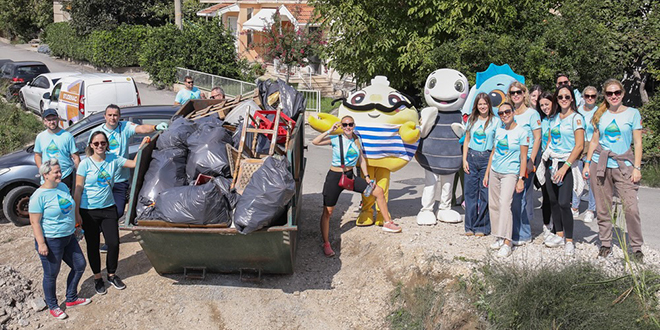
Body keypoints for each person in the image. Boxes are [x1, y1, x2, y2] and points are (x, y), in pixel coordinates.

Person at [312, 115, 402, 257]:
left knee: (378, 191)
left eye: (350, 124)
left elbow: (362, 159)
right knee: (328, 212)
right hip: (335, 177)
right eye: (345, 124)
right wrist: (330, 130)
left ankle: (387, 222)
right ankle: (326, 243)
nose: (348, 127)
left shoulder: (356, 139)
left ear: (354, 125)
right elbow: (315, 142)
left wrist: (367, 177)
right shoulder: (336, 139)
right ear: (341, 126)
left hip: (349, 177)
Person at [74, 131, 149, 294]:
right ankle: (97, 278)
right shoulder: (85, 164)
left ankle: (112, 274)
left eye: (102, 143)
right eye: (96, 144)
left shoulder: (113, 159)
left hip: (108, 208)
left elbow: (134, 164)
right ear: (91, 146)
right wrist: (76, 213)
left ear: (107, 144)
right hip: (88, 210)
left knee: (114, 242)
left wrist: (143, 144)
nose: (100, 146)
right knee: (92, 245)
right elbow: (78, 189)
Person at [583, 79, 645, 262]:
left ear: (623, 93)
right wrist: (587, 163)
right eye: (609, 94)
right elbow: (594, 140)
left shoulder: (633, 114)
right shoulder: (599, 114)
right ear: (605, 96)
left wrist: (637, 167)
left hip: (624, 165)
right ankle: (605, 244)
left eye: (617, 92)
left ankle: (636, 246)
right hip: (600, 164)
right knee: (603, 208)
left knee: (631, 208)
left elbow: (638, 142)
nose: (614, 96)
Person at [29, 158, 90, 320]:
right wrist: (41, 243)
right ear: (45, 175)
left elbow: (68, 209)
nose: (59, 174)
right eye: (55, 172)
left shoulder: (62, 187)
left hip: (68, 237)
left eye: (60, 171)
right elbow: (34, 222)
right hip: (51, 240)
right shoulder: (38, 196)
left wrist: (76, 226)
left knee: (79, 265)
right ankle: (53, 305)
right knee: (51, 274)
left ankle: (71, 298)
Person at [89, 104, 168, 220]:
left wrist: (155, 127)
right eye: (109, 115)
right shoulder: (97, 132)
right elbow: (90, 153)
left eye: (115, 115)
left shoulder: (124, 127)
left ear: (119, 116)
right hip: (103, 179)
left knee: (119, 211)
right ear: (104, 116)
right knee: (101, 210)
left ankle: (108, 227)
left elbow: (141, 129)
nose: (112, 118)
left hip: (120, 179)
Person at [539, 86, 584, 256]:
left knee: (565, 203)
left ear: (572, 98)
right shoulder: (554, 118)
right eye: (560, 96)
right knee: (553, 200)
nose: (563, 99)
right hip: (553, 161)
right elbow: (550, 139)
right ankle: (559, 234)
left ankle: (570, 240)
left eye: (567, 96)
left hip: (567, 164)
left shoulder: (576, 119)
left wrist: (565, 167)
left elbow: (579, 145)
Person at [484, 101, 528, 258]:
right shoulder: (499, 130)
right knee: (494, 205)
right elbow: (494, 152)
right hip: (495, 170)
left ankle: (507, 241)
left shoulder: (522, 132)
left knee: (505, 204)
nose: (504, 115)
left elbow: (524, 158)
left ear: (513, 112)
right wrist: (487, 172)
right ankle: (498, 235)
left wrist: (521, 178)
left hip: (510, 173)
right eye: (501, 113)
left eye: (507, 111)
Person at [462, 93, 501, 236]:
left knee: (485, 193)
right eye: (480, 104)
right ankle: (469, 226)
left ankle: (482, 227)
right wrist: (464, 159)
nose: (483, 106)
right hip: (471, 158)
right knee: (470, 193)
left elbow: (496, 144)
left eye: (485, 104)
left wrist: (490, 166)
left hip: (486, 158)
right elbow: (467, 139)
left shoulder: (496, 121)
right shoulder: (472, 119)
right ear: (476, 106)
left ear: (489, 105)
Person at [509, 82, 541, 246]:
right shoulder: (510, 113)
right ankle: (514, 231)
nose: (516, 95)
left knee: (522, 198)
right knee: (513, 198)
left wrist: (531, 160)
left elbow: (537, 138)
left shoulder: (532, 114)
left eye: (519, 92)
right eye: (513, 92)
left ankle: (524, 234)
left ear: (524, 93)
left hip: (526, 160)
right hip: (510, 161)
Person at [34, 109, 80, 193]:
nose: (52, 122)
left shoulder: (67, 136)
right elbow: (37, 155)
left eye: (54, 119)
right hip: (47, 177)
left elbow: (76, 157)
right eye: (49, 120)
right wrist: (42, 170)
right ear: (44, 121)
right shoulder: (40, 137)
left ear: (58, 119)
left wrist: (79, 175)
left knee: (64, 203)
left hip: (65, 176)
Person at [571, 86, 599, 223]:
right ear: (583, 97)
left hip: (593, 147)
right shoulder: (577, 111)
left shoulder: (599, 112)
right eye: (587, 96)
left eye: (592, 96)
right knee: (577, 178)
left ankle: (590, 209)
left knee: (591, 180)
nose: (590, 98)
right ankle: (575, 207)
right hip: (579, 146)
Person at [536, 92, 556, 238]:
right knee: (545, 194)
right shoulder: (541, 120)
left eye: (546, 104)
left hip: (556, 159)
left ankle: (557, 227)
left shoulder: (558, 119)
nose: (544, 107)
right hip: (543, 160)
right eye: (541, 105)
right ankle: (546, 224)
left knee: (556, 195)